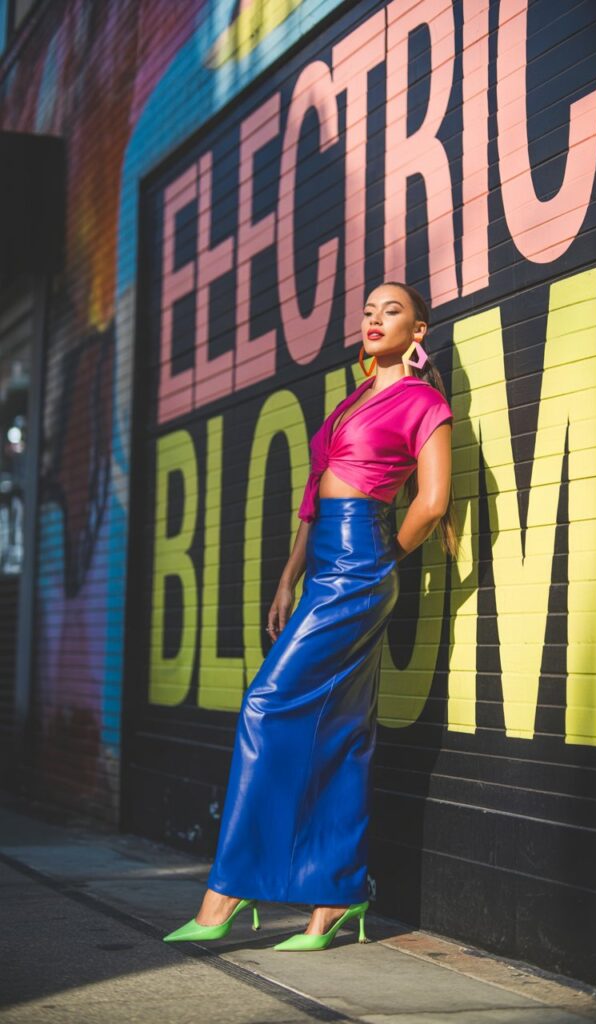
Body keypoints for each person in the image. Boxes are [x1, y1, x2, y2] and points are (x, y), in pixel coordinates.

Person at [163, 280, 459, 951]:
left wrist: (381, 558)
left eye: (392, 311)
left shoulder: (424, 401)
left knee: (265, 705)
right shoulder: (353, 400)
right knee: (344, 734)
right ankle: (335, 898)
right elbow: (314, 495)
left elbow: (433, 501)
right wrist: (288, 576)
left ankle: (229, 889)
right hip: (324, 561)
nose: (375, 318)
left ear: (418, 332)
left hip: (358, 565)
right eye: (368, 310)